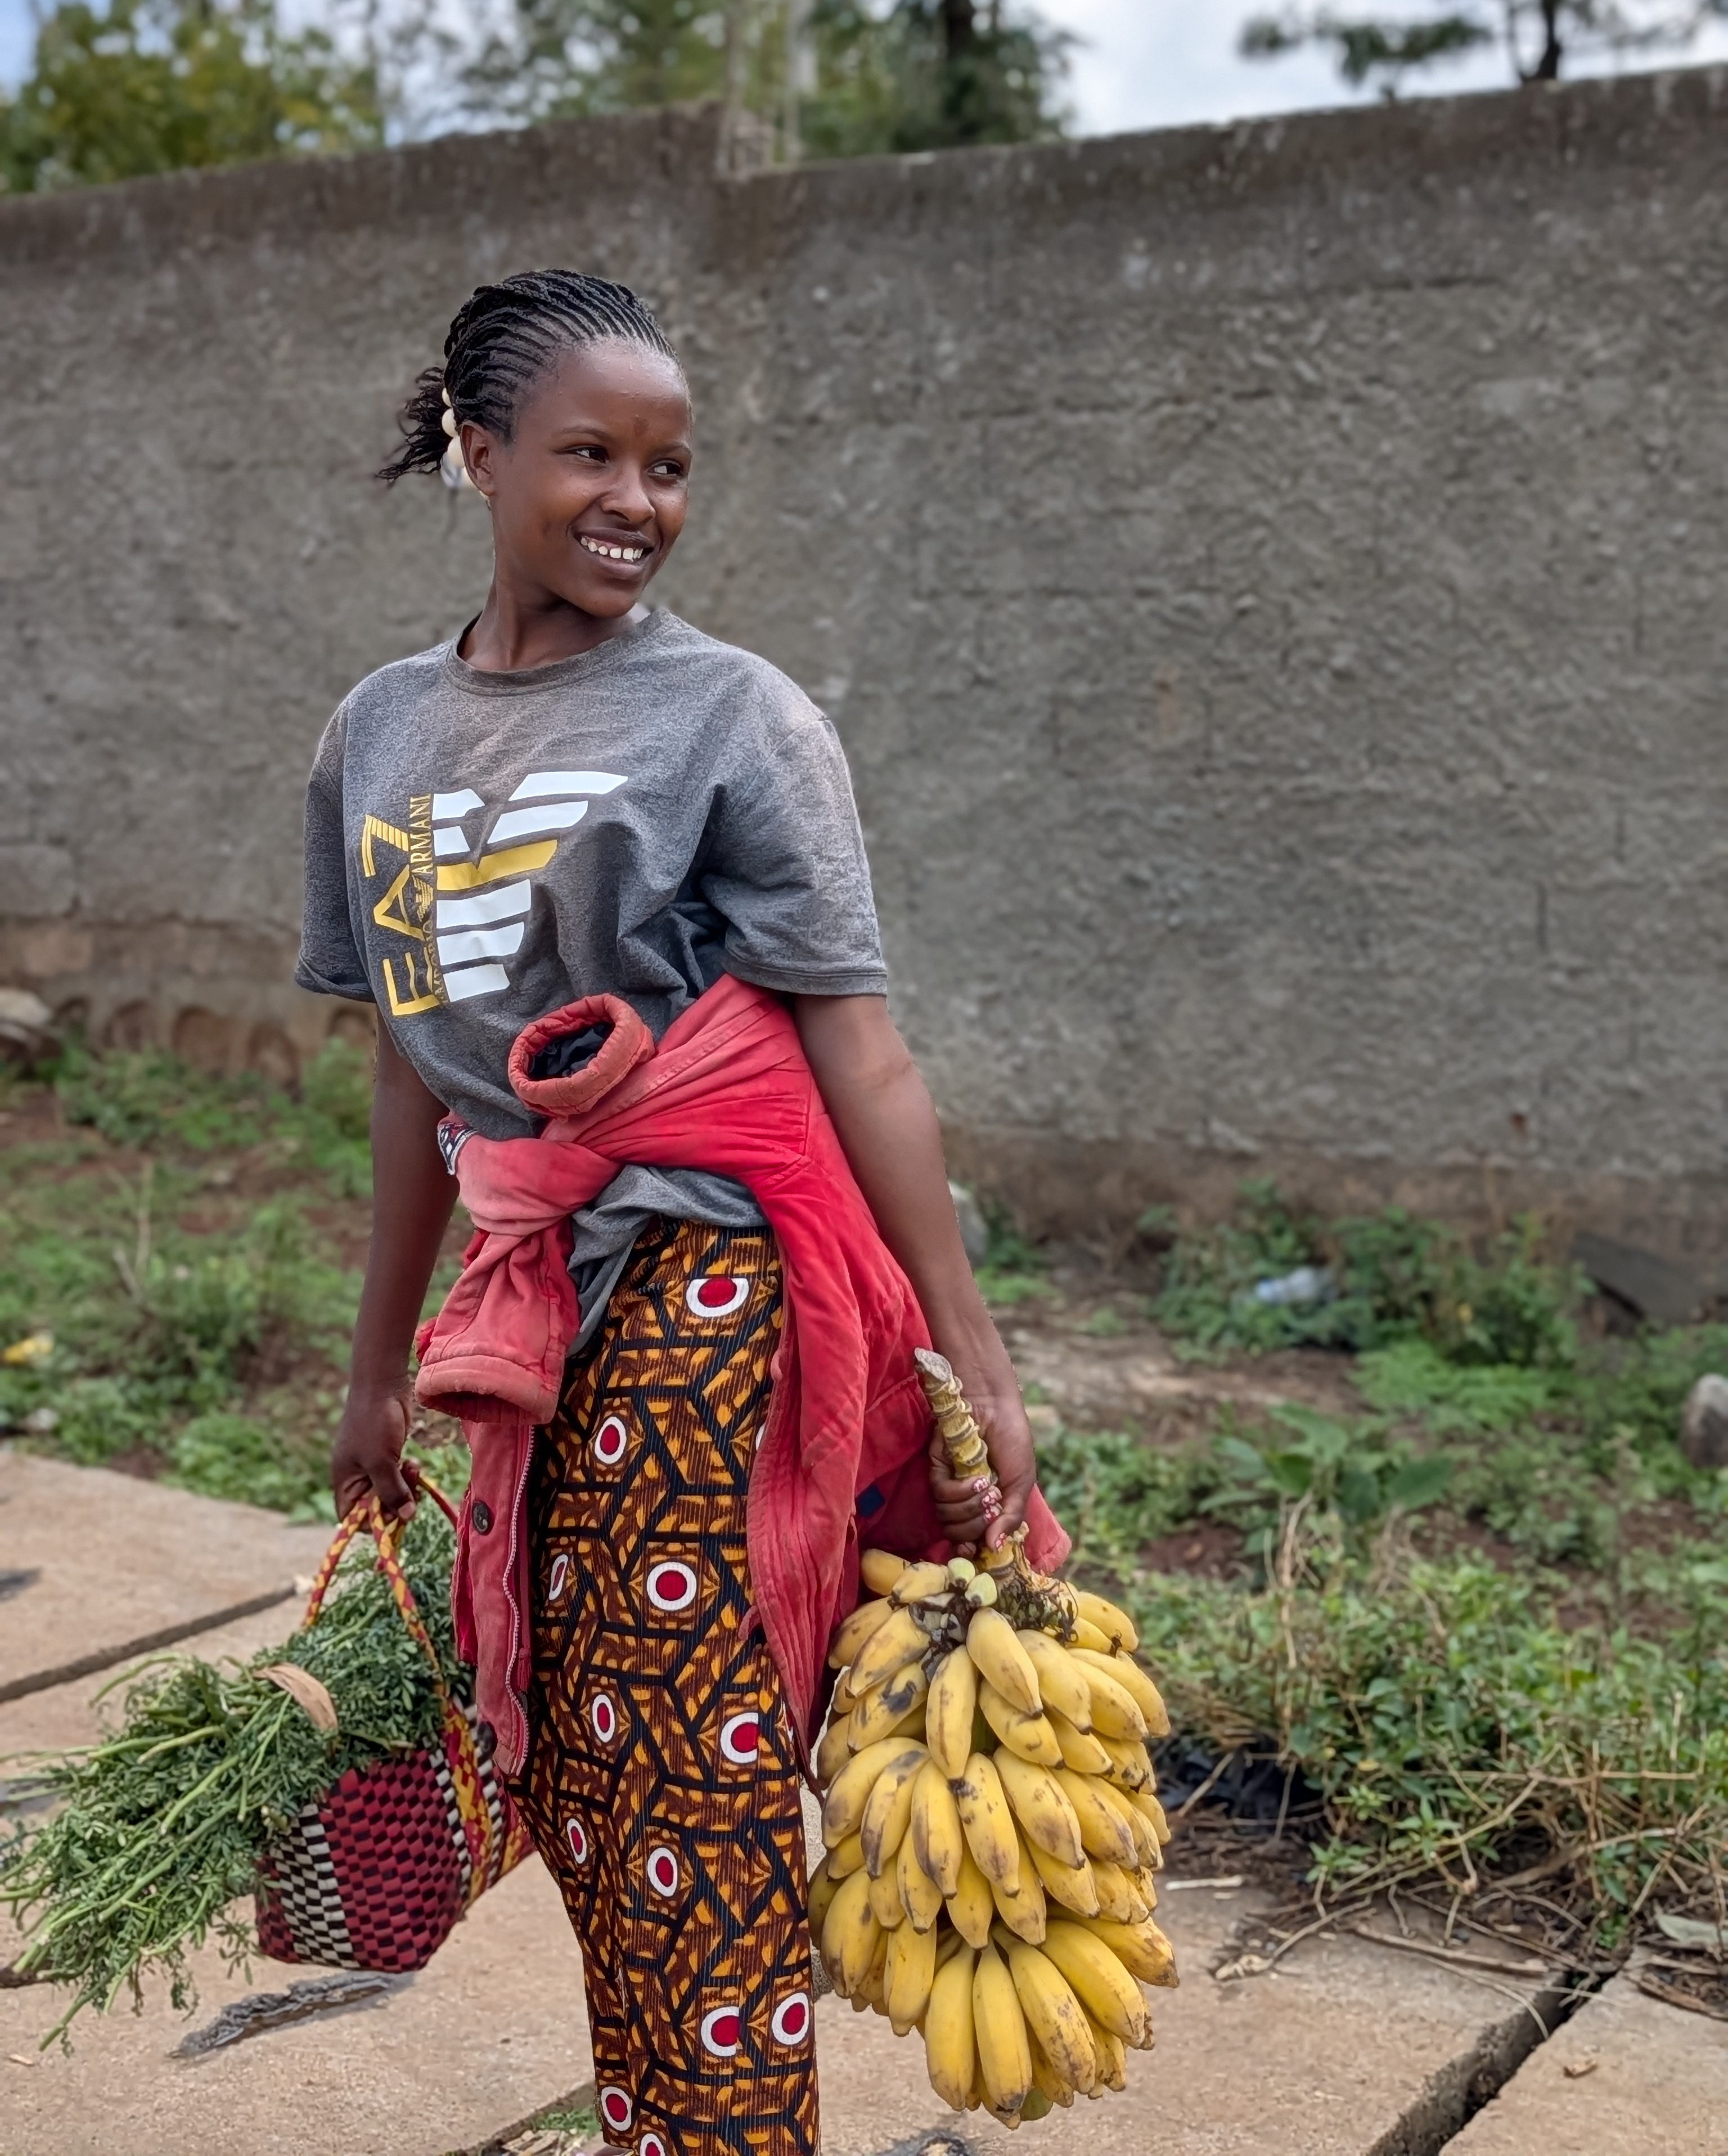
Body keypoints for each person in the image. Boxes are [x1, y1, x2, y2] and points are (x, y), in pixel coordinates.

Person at [295, 269, 1055, 2154]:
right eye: (592, 456)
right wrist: (375, 1371)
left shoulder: (734, 714)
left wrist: (976, 1359)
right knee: (573, 1735)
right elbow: (410, 1068)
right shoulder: (377, 731)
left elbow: (859, 1050)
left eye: (672, 465)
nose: (638, 501)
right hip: (531, 1279)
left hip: (717, 1275)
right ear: (478, 451)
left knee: (678, 1741)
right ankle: (666, 2121)